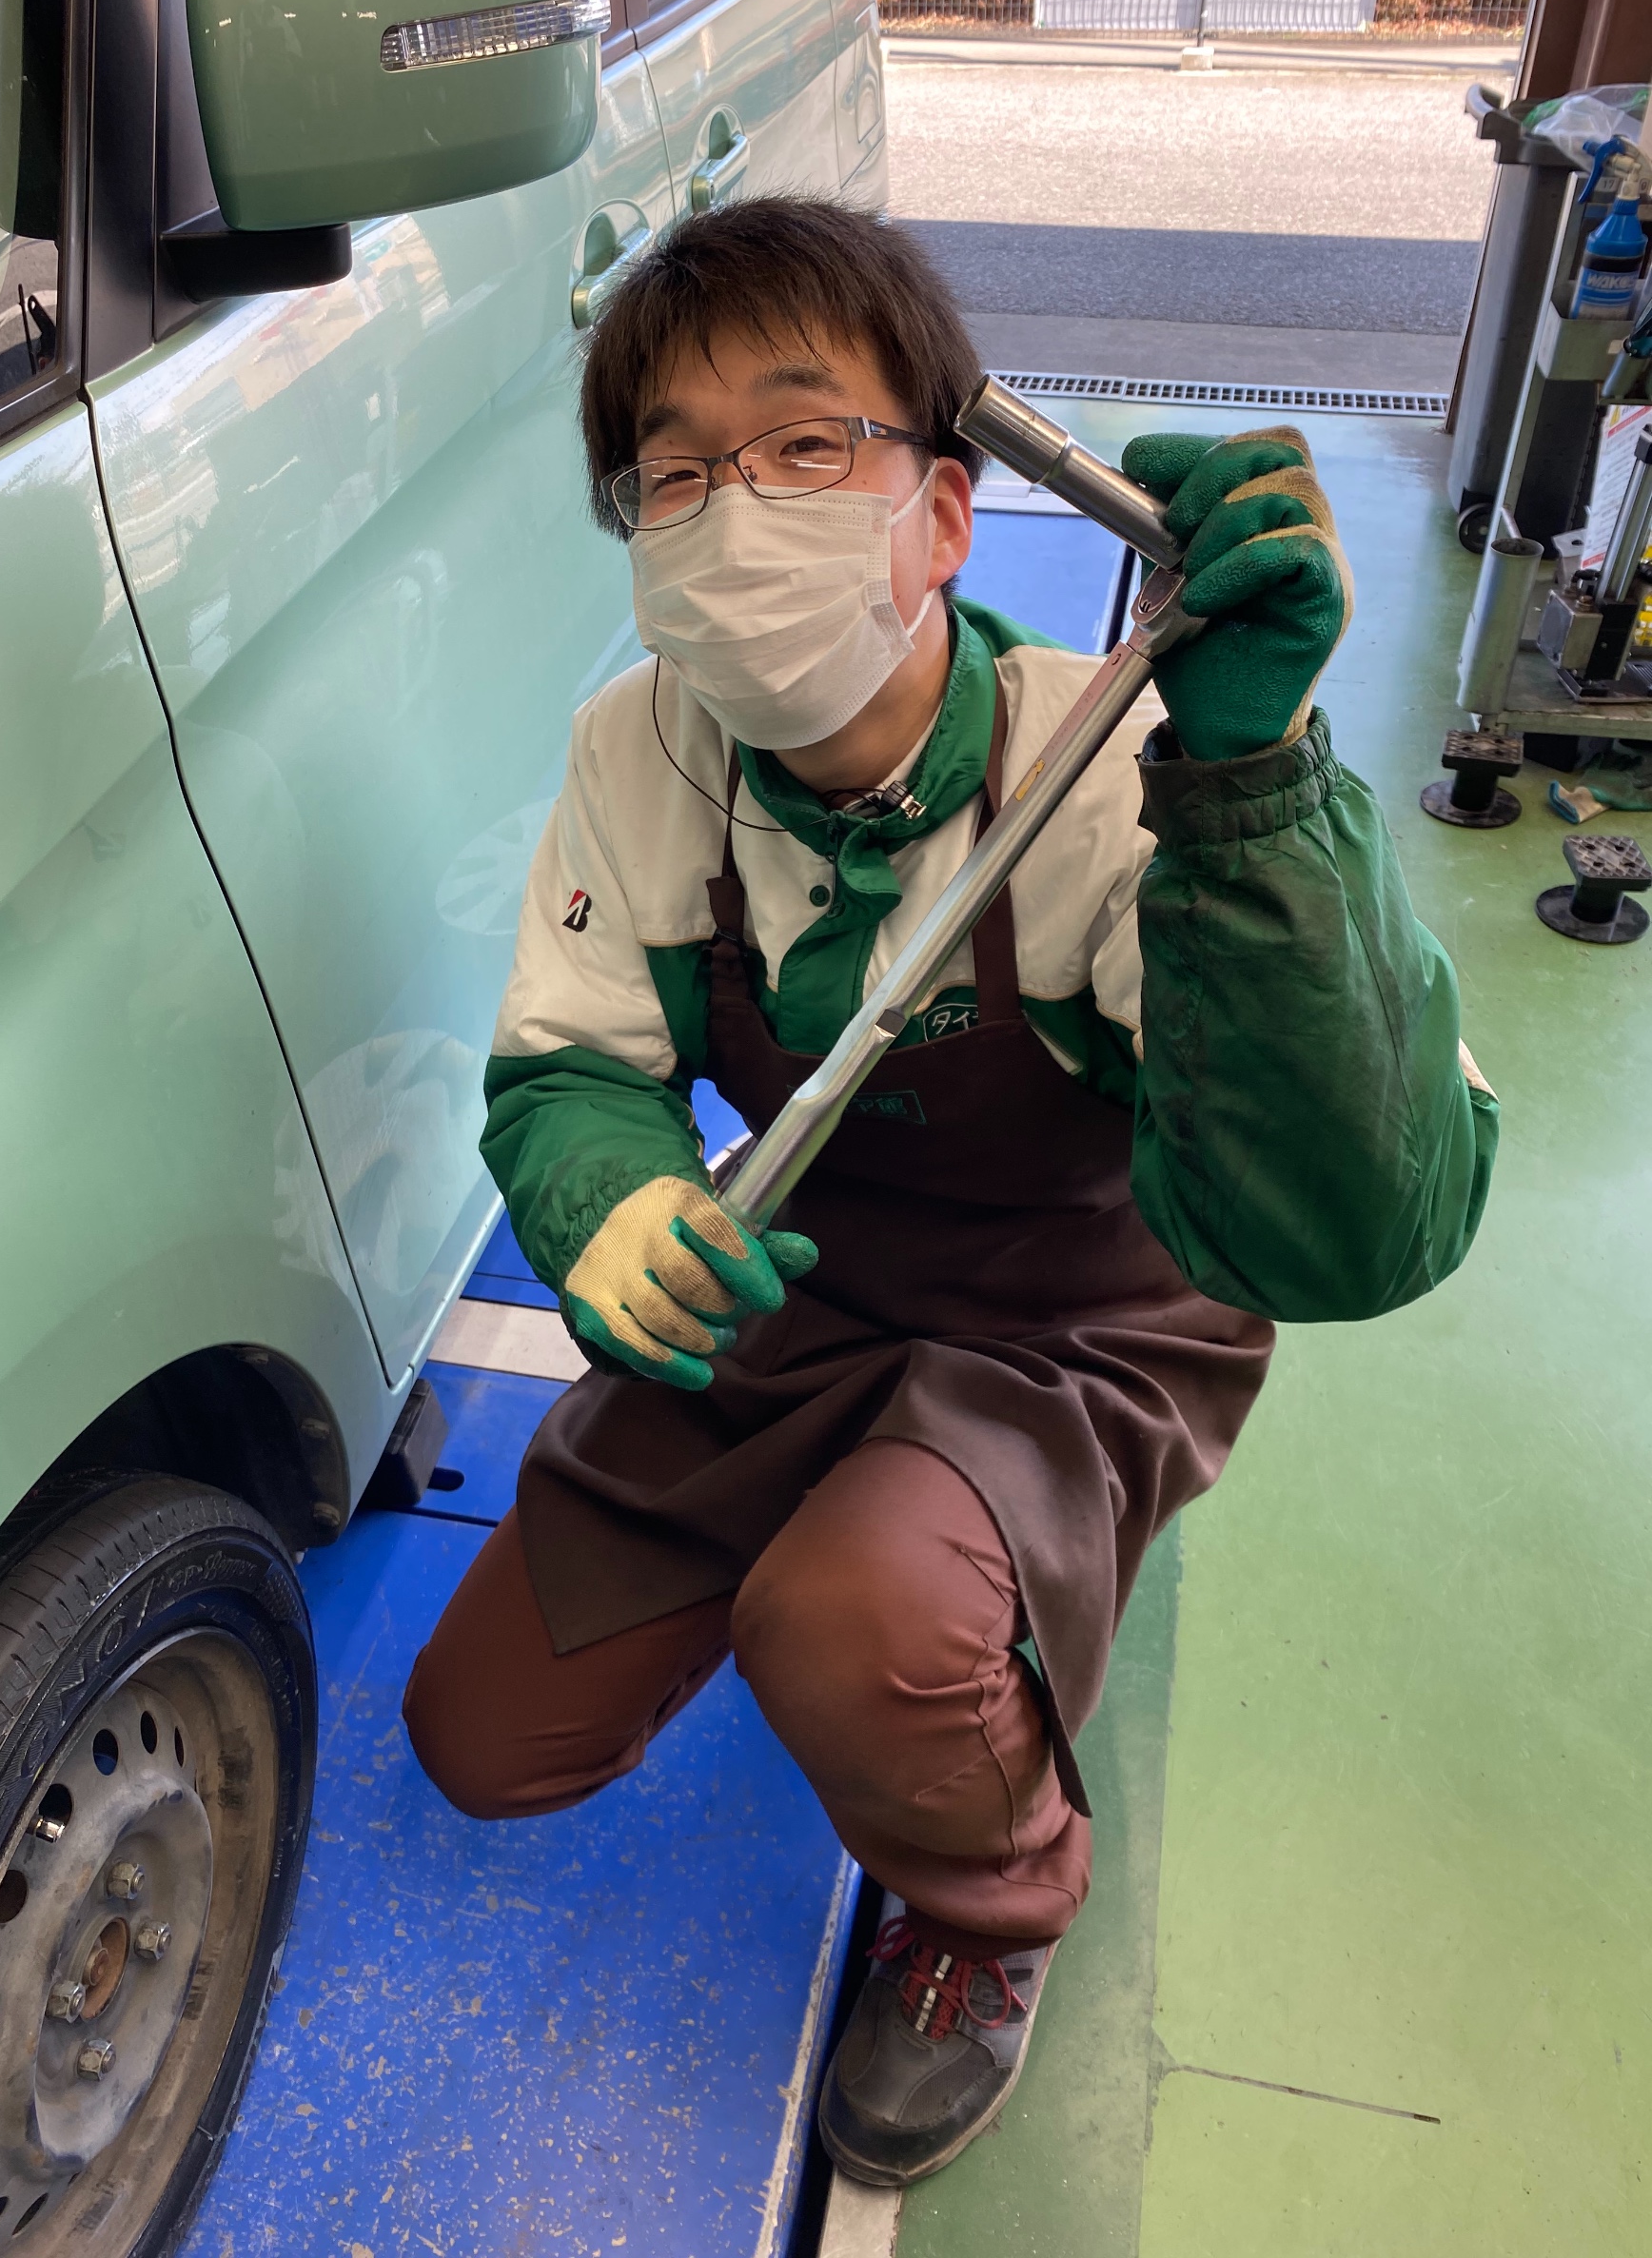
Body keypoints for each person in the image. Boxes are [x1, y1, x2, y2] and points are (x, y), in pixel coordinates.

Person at [403, 197, 1497, 2188]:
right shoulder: (637, 751)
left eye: (807, 442)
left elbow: (1356, 1225)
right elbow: (571, 1064)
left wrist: (1254, 794)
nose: (736, 510)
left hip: (1076, 1312)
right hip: (805, 1287)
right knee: (485, 1738)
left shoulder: (1121, 766)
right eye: (675, 471)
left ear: (946, 512)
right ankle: (902, 1592)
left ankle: (993, 1899)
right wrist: (610, 1206)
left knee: (856, 1627)